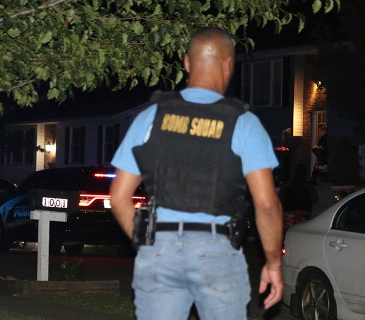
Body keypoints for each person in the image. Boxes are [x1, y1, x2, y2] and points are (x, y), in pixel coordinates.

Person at [109, 27, 283, 320]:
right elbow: (266, 205)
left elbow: (118, 197)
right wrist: (273, 263)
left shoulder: (150, 116)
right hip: (216, 252)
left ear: (187, 63)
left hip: (159, 248)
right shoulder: (243, 123)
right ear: (229, 64)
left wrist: (148, 244)